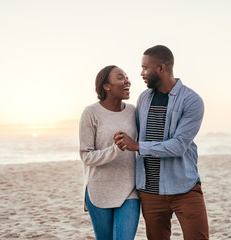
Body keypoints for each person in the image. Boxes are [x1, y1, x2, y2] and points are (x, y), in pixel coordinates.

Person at [114, 45, 209, 240]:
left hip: (184, 187)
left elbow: (179, 145)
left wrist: (137, 146)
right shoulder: (144, 99)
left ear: (161, 68)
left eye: (145, 68)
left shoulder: (191, 101)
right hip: (150, 192)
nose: (141, 73)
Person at [79, 65, 140, 240]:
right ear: (106, 86)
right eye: (120, 77)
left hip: (129, 189)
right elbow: (86, 156)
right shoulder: (91, 113)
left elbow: (141, 144)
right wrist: (116, 150)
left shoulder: (133, 111)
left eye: (127, 77)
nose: (127, 81)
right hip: (99, 189)